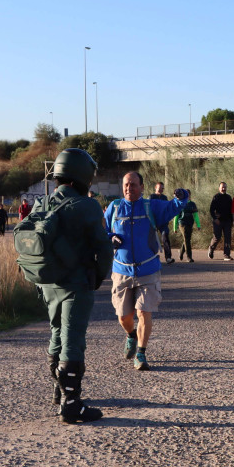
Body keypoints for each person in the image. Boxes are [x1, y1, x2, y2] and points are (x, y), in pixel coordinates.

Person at [39, 148, 113, 423]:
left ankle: (59, 393)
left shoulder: (42, 203)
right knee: (73, 340)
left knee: (56, 332)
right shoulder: (88, 205)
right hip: (75, 284)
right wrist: (97, 276)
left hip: (48, 283)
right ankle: (71, 404)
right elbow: (104, 249)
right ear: (82, 175)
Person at [104, 171, 179, 372]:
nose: (129, 188)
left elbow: (173, 207)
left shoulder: (151, 206)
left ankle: (141, 353)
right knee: (123, 317)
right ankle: (131, 335)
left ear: (142, 187)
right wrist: (110, 237)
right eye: (126, 185)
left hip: (148, 269)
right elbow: (102, 229)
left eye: (134, 185)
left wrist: (182, 198)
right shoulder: (115, 207)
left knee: (144, 311)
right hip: (121, 271)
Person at [171, 189, 200, 263]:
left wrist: (198, 225)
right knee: (187, 239)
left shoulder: (192, 204)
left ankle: (181, 252)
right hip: (182, 223)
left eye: (189, 194)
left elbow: (195, 215)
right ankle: (189, 257)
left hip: (190, 223)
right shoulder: (180, 203)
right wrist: (175, 227)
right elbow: (176, 216)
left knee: (187, 239)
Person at [149, 182, 174, 264]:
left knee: (165, 237)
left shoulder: (164, 198)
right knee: (150, 239)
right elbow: (147, 209)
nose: (161, 189)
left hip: (163, 222)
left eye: (162, 188)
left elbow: (167, 209)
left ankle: (168, 258)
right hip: (152, 221)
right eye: (159, 187)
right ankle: (150, 258)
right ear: (155, 188)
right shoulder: (151, 197)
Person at [208, 182, 233, 260]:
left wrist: (232, 220)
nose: (223, 188)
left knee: (228, 238)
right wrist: (215, 219)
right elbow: (211, 209)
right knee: (217, 237)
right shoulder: (216, 197)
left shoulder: (229, 197)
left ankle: (226, 255)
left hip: (227, 221)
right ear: (219, 188)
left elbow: (231, 210)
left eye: (225, 187)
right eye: (222, 187)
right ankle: (211, 248)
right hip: (218, 221)